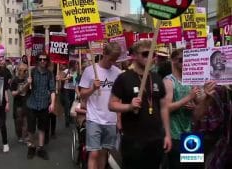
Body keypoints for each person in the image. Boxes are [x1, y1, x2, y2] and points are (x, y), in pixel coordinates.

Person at [108, 40, 172, 169]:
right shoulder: (124, 78)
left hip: (155, 139)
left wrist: (167, 135)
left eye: (153, 54)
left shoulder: (157, 78)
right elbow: (111, 105)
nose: (150, 58)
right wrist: (129, 107)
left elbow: (164, 108)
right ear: (135, 55)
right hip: (133, 140)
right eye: (145, 54)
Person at [79, 42, 122, 169]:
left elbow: (119, 99)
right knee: (94, 153)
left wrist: (119, 119)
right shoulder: (90, 70)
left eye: (115, 59)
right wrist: (92, 88)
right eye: (111, 59)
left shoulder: (118, 73)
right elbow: (82, 94)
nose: (113, 62)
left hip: (111, 120)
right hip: (94, 118)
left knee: (104, 153)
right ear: (104, 54)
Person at [163, 48, 202, 169]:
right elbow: (166, 108)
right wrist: (188, 98)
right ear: (173, 61)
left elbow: (200, 104)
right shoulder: (169, 81)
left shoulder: (191, 79)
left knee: (193, 167)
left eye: (187, 60)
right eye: (181, 60)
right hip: (175, 135)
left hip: (192, 134)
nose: (185, 63)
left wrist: (203, 99)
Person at [26, 53, 56, 160]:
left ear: (47, 61)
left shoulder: (49, 74)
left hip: (44, 104)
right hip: (32, 104)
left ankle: (40, 148)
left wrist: (52, 103)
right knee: (31, 128)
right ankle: (31, 147)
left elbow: (52, 90)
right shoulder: (31, 72)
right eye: (40, 59)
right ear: (37, 60)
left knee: (42, 127)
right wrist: (27, 83)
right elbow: (24, 90)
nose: (42, 61)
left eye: (45, 59)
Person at [10, 63, 29, 143]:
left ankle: (25, 136)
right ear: (19, 70)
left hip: (27, 103)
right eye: (24, 71)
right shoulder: (14, 80)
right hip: (18, 104)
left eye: (26, 70)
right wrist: (22, 89)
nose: (26, 72)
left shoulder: (28, 79)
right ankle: (19, 135)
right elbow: (13, 93)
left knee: (26, 122)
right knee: (18, 122)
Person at [60, 60, 79, 127]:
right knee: (67, 105)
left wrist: (78, 92)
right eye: (76, 64)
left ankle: (70, 119)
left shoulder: (76, 72)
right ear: (72, 65)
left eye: (77, 64)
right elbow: (60, 78)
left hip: (72, 90)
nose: (77, 66)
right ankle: (67, 120)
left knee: (71, 104)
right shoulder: (66, 71)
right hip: (66, 90)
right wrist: (66, 78)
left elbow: (75, 83)